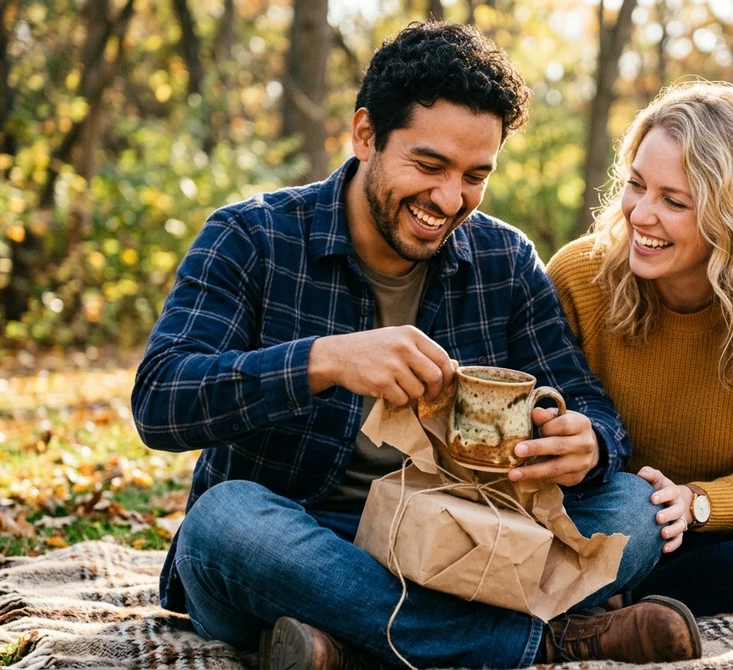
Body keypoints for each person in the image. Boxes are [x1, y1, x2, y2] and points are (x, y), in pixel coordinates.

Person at [132, 22, 701, 669]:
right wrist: (326, 360)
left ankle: (347, 643)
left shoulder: (504, 260)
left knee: (632, 505)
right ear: (366, 134)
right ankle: (543, 642)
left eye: (475, 175)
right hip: (301, 538)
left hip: (455, 544)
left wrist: (588, 441)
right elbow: (159, 398)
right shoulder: (251, 237)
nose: (449, 198)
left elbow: (587, 401)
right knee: (222, 522)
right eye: (429, 165)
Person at [547, 81, 733, 617]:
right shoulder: (579, 275)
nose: (640, 215)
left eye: (673, 201)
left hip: (714, 531)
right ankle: (608, 595)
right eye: (636, 185)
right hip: (603, 514)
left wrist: (696, 503)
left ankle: (619, 601)